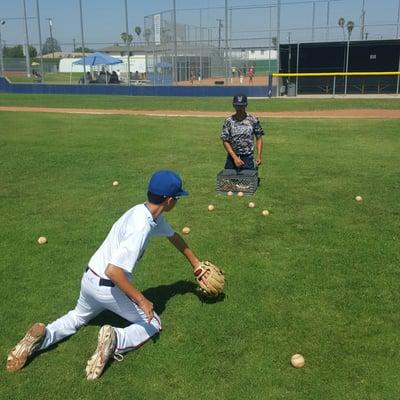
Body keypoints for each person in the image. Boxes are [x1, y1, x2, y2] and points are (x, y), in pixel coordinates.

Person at [6, 171, 203, 380]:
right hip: (108, 286)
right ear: (170, 200)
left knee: (76, 317)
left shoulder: (142, 212)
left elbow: (174, 237)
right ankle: (117, 338)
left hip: (89, 279)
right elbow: (114, 272)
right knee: (153, 323)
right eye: (178, 198)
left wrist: (196, 264)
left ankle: (41, 338)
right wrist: (142, 300)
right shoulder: (142, 227)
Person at [220, 94, 264, 171]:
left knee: (249, 181)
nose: (239, 108)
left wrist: (259, 155)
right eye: (237, 106)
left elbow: (259, 137)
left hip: (248, 157)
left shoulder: (253, 120)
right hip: (232, 157)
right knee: (229, 181)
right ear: (233, 105)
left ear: (246, 105)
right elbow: (225, 140)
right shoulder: (229, 121)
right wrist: (235, 158)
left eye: (241, 106)